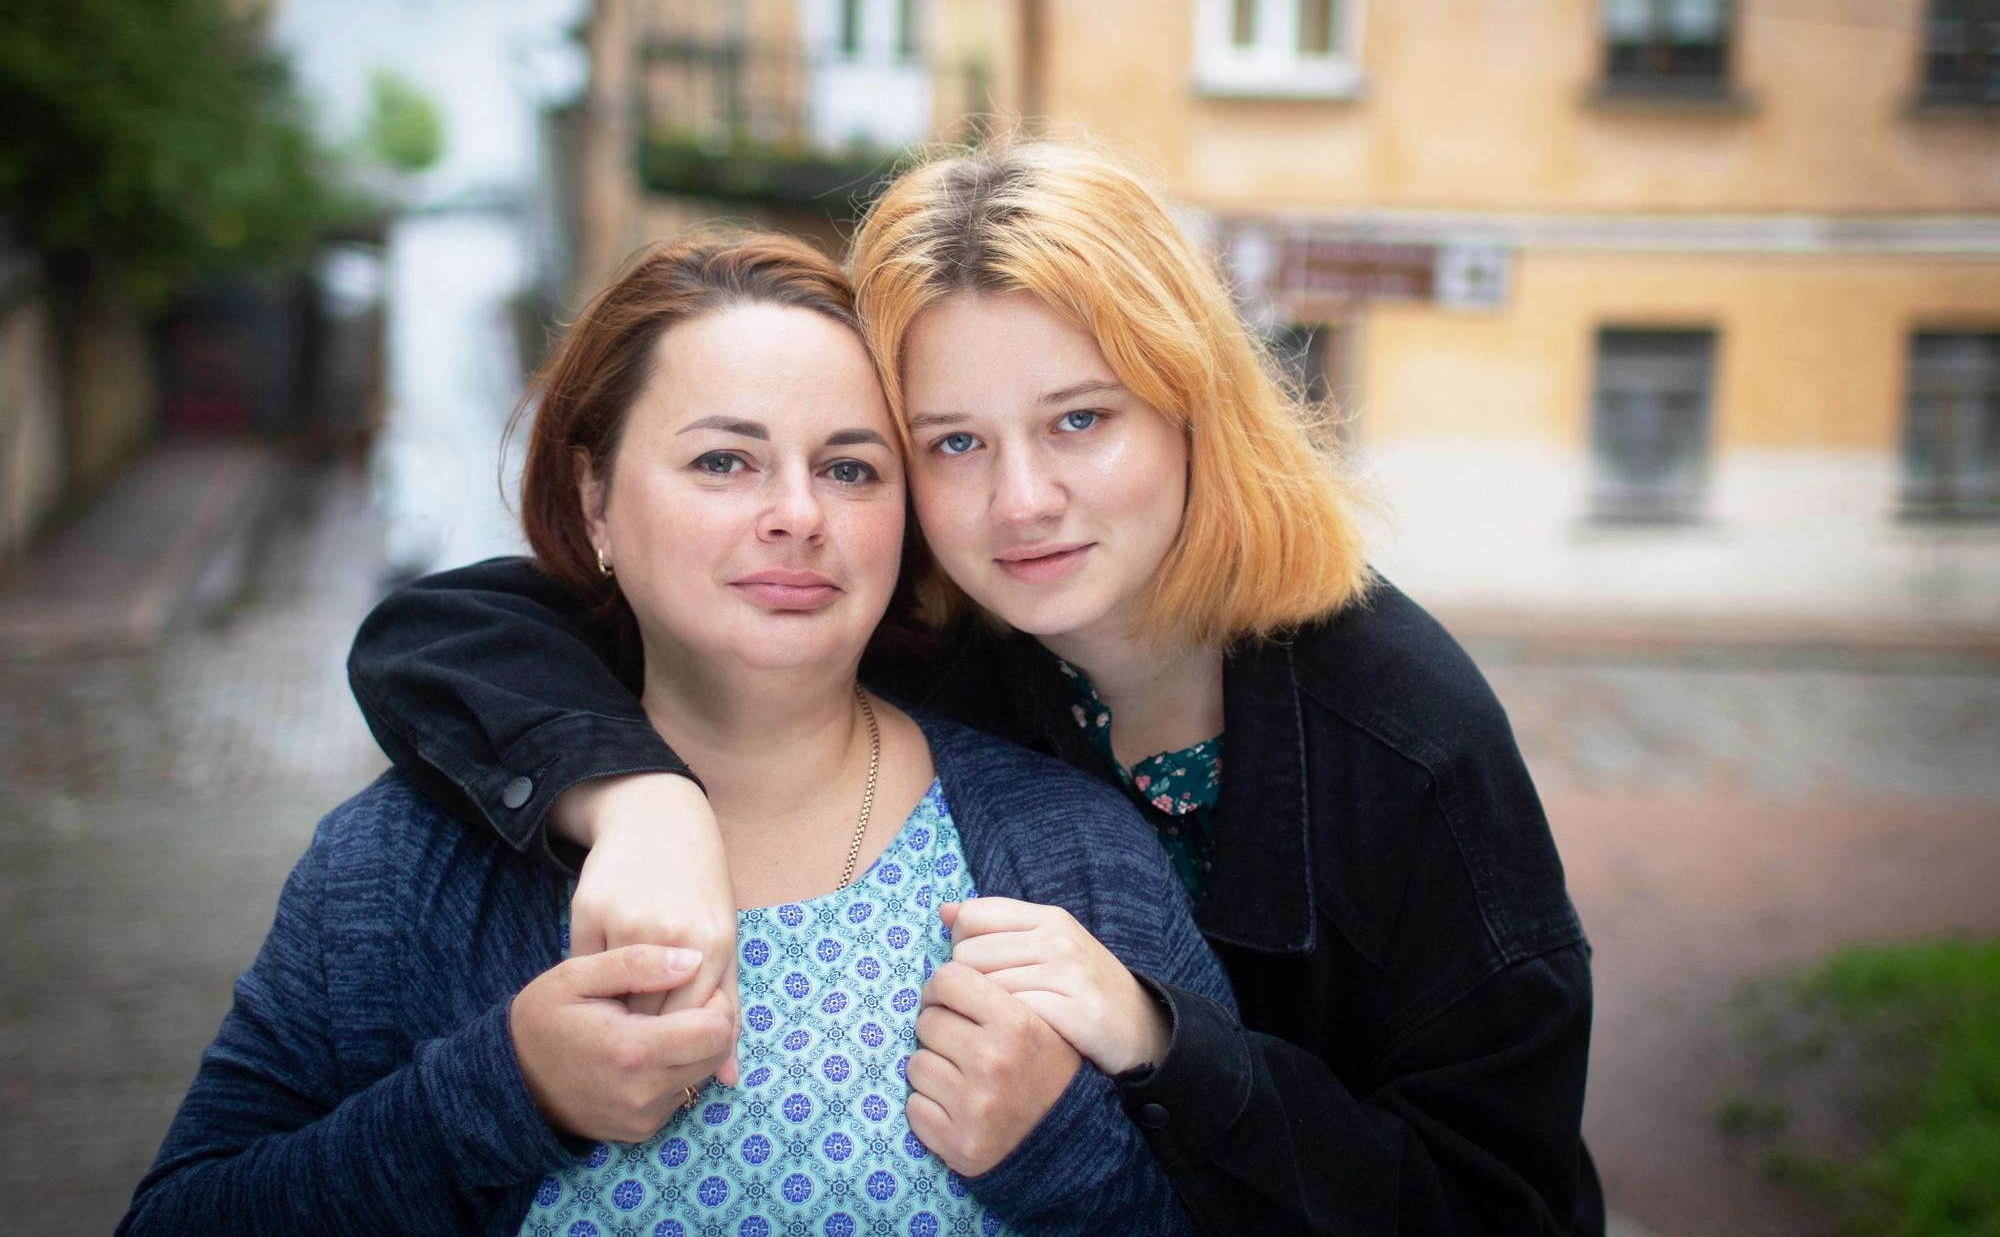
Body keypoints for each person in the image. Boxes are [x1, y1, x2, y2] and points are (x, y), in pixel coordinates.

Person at [348, 141, 1607, 1234]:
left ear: (1192, 407)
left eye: (1078, 421)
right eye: (952, 442)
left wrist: (1165, 1047)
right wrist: (637, 800)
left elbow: (1506, 1207)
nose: (1019, 502)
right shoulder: (937, 628)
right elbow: (452, 629)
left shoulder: (1406, 738)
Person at [121, 232, 1230, 1237]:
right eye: (723, 461)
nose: (797, 513)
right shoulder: (403, 863)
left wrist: (1065, 1154)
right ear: (594, 500)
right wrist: (502, 1092)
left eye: (850, 468)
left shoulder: (1073, 855)